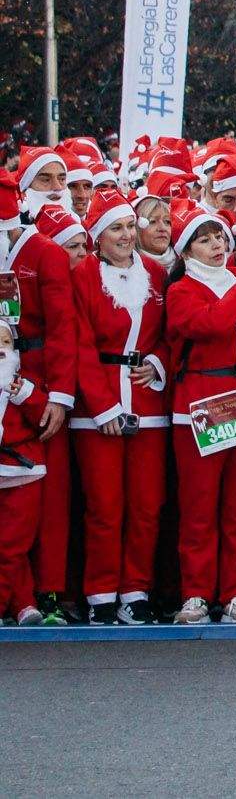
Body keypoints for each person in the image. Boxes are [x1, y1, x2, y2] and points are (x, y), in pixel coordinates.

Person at [163, 203, 236, 625]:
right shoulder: (182, 291)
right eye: (204, 238)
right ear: (187, 250)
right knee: (199, 506)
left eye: (219, 237)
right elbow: (212, 323)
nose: (215, 244)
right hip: (202, 404)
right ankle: (195, 593)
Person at [69, 189, 170, 625]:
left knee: (147, 504)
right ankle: (100, 594)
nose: (127, 235)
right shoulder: (84, 276)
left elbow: (170, 333)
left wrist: (157, 362)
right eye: (117, 228)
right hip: (99, 409)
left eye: (131, 226)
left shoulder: (155, 274)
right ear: (98, 235)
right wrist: (103, 406)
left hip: (147, 404)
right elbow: (79, 344)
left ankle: (136, 590)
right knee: (105, 506)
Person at [0, 170, 78, 624]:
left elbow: (64, 328)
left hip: (36, 382)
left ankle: (44, 592)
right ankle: (19, 596)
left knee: (44, 497)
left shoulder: (44, 254)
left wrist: (60, 395)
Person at [0, 319, 46, 625]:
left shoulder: (24, 381)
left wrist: (24, 395)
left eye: (5, 343)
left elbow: (43, 416)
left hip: (22, 470)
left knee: (13, 543)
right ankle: (23, 602)